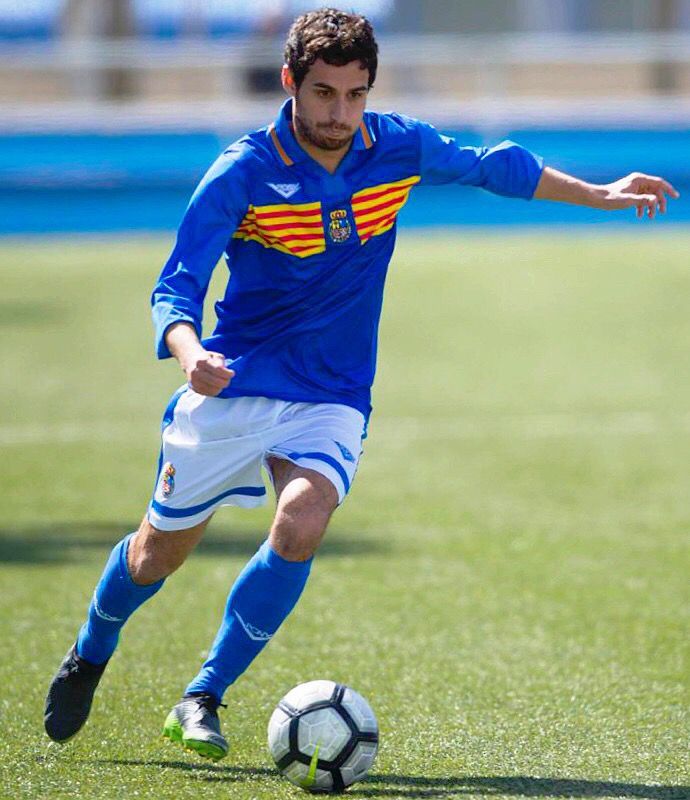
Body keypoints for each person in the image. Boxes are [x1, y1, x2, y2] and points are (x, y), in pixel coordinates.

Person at [44, 7, 679, 761]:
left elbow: (493, 166)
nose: (339, 113)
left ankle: (203, 694)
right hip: (234, 383)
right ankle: (91, 649)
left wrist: (603, 194)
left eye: (354, 95)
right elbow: (175, 288)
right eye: (323, 94)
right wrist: (188, 356)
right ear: (289, 83)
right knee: (157, 555)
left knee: (303, 522)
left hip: (334, 391)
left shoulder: (397, 146)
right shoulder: (243, 170)